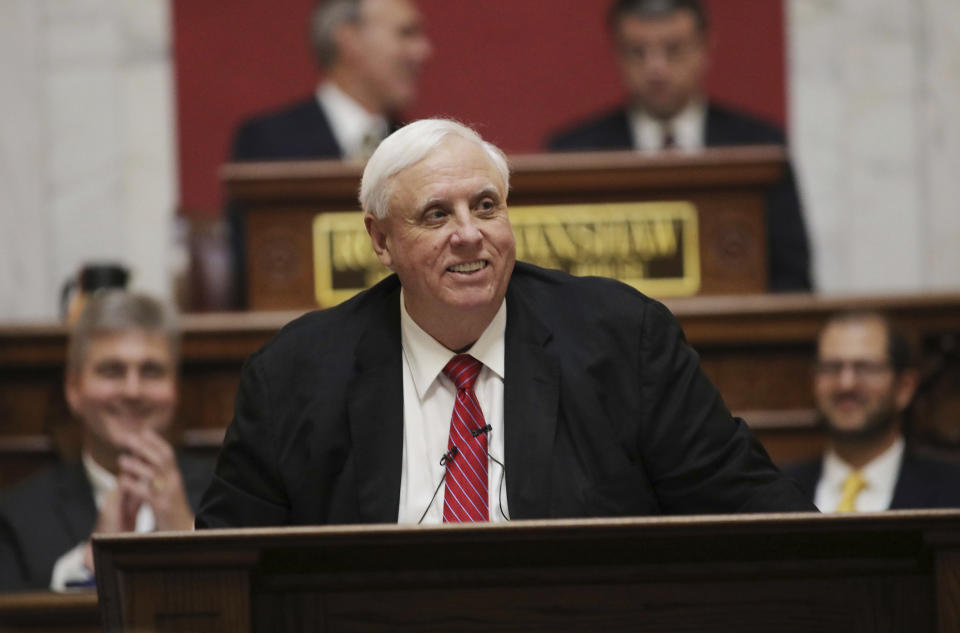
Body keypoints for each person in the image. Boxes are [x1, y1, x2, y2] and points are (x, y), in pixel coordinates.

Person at [196, 118, 814, 529]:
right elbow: (226, 565)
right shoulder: (295, 376)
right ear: (381, 240)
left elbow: (754, 513)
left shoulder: (623, 340)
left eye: (486, 206)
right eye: (436, 215)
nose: (470, 235)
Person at [546, 0, 811, 292]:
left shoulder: (759, 147)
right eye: (638, 52)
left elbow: (793, 277)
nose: (655, 68)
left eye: (673, 50)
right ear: (617, 54)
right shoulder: (575, 153)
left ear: (705, 48)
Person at [0, 291, 213, 591]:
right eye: (111, 371)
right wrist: (89, 565)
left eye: (151, 371)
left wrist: (188, 533)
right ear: (74, 389)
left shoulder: (230, 495)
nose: (132, 390)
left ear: (175, 388)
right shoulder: (17, 516)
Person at [226, 0, 432, 307]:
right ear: (349, 39)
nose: (422, 51)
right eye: (405, 33)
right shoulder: (269, 143)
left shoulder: (420, 147)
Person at [784, 312, 960, 512]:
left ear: (905, 387)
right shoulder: (778, 489)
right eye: (832, 367)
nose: (846, 384)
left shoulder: (953, 490)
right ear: (814, 381)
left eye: (865, 368)